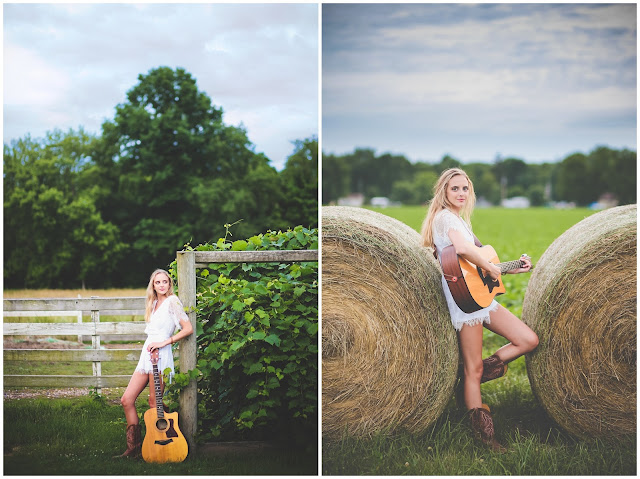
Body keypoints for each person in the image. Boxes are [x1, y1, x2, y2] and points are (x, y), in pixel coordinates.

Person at [421, 168, 538, 452]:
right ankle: (486, 439)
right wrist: (490, 266)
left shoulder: (459, 219)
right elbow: (461, 250)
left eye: (464, 189)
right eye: (454, 189)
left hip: (479, 296)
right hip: (465, 301)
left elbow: (475, 268)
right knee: (473, 369)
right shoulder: (446, 217)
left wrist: (511, 268)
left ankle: (467, 381)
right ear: (444, 192)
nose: (460, 194)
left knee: (528, 339)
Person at [114, 269, 193, 458]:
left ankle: (161, 443)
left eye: (165, 282)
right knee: (126, 400)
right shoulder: (154, 302)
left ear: (169, 283)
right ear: (153, 285)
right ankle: (134, 448)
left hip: (161, 354)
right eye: (158, 282)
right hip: (147, 353)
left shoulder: (173, 301)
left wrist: (165, 342)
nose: (162, 285)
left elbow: (188, 328)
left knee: (153, 402)